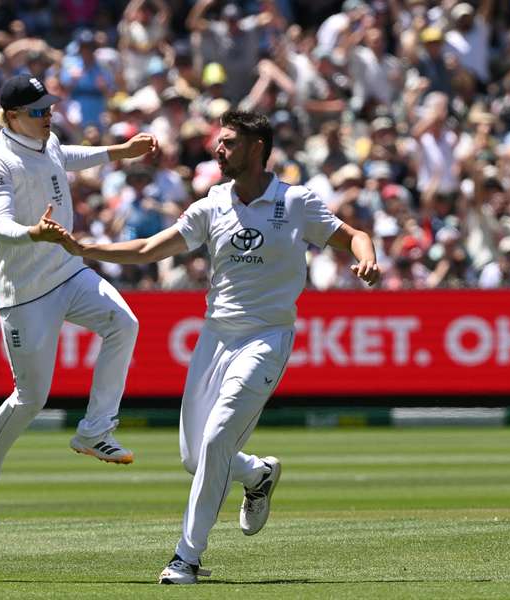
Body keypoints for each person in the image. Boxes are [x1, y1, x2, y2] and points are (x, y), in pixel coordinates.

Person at [43, 111, 380, 584]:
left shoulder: (295, 201)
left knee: (219, 436)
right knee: (195, 459)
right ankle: (258, 474)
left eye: (228, 143)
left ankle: (186, 557)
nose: (218, 150)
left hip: (266, 337)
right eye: (218, 142)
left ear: (257, 148)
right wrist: (84, 250)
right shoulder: (212, 203)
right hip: (215, 338)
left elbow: (354, 237)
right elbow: (150, 249)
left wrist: (366, 261)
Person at [0, 74, 159, 530]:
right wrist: (34, 232)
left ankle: (95, 431)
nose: (48, 115)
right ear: (11, 117)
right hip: (25, 292)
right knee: (31, 397)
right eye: (38, 111)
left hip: (68, 272)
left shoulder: (45, 140)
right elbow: (1, 223)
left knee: (123, 323)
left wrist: (118, 153)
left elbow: (67, 157)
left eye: (48, 108)